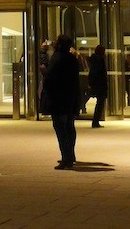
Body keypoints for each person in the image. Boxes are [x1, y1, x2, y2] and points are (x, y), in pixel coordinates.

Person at [41, 34, 80, 169]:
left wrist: (43, 55)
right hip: (70, 98)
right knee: (69, 127)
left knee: (60, 129)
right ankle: (71, 155)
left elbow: (48, 74)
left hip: (58, 99)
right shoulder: (72, 59)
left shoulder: (57, 58)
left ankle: (66, 158)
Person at [87, 45, 108, 128]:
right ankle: (95, 121)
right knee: (100, 103)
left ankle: (96, 121)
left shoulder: (94, 60)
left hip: (96, 84)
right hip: (100, 84)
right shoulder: (99, 60)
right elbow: (98, 73)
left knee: (99, 102)